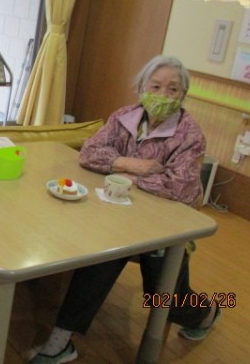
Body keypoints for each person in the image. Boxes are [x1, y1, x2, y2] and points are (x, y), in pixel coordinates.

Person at [29, 56, 220, 364]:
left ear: (183, 95)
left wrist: (129, 178)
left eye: (173, 89)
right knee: (99, 257)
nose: (163, 95)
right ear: (141, 88)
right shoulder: (123, 117)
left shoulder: (189, 135)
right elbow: (89, 152)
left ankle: (208, 313)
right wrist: (132, 164)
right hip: (116, 216)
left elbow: (181, 187)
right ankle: (60, 341)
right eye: (155, 86)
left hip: (164, 226)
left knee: (163, 299)